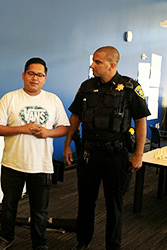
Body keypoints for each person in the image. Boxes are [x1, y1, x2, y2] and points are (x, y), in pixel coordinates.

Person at [63, 46, 151, 250]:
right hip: (89, 154)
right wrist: (67, 144)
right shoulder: (86, 87)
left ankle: (113, 245)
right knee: (85, 201)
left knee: (114, 204)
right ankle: (82, 241)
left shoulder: (130, 88)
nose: (92, 65)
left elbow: (140, 122)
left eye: (97, 62)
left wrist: (139, 154)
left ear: (112, 65)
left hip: (116, 155)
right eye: (93, 61)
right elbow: (75, 117)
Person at [0, 57, 70, 250]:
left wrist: (48, 132)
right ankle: (6, 237)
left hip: (41, 166)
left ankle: (39, 243)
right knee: (9, 206)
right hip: (12, 164)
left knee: (40, 210)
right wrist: (21, 129)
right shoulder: (10, 98)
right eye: (31, 74)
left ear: (45, 78)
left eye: (40, 75)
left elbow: (64, 127)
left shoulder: (53, 99)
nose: (35, 78)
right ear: (23, 75)